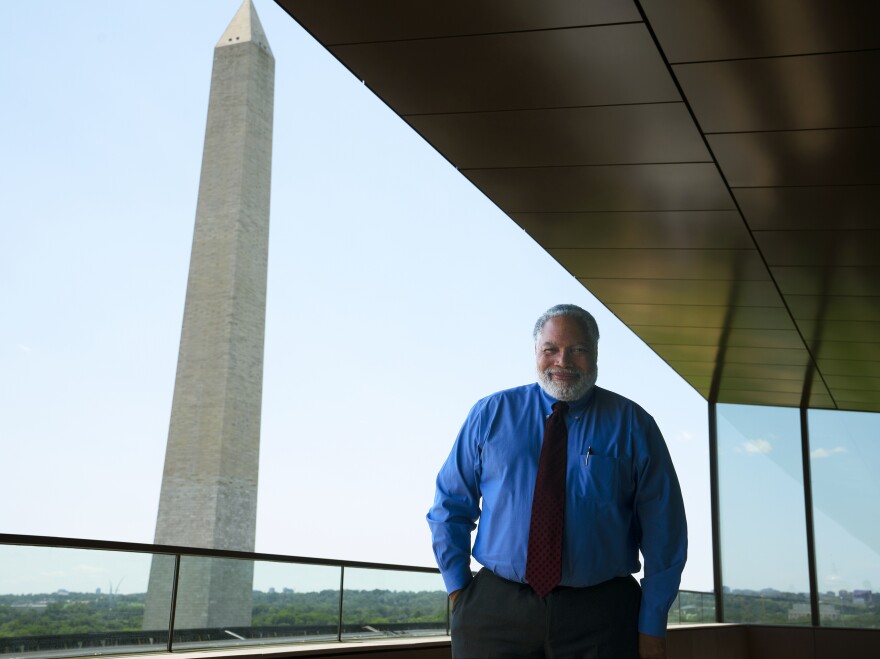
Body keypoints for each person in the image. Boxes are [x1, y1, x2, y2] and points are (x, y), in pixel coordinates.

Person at [427, 304, 687, 659]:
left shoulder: (634, 425)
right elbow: (449, 507)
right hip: (493, 612)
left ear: (595, 354)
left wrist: (653, 624)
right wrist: (459, 592)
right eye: (551, 349)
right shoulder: (490, 414)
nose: (563, 361)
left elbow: (665, 533)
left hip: (602, 617)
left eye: (578, 349)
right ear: (536, 352)